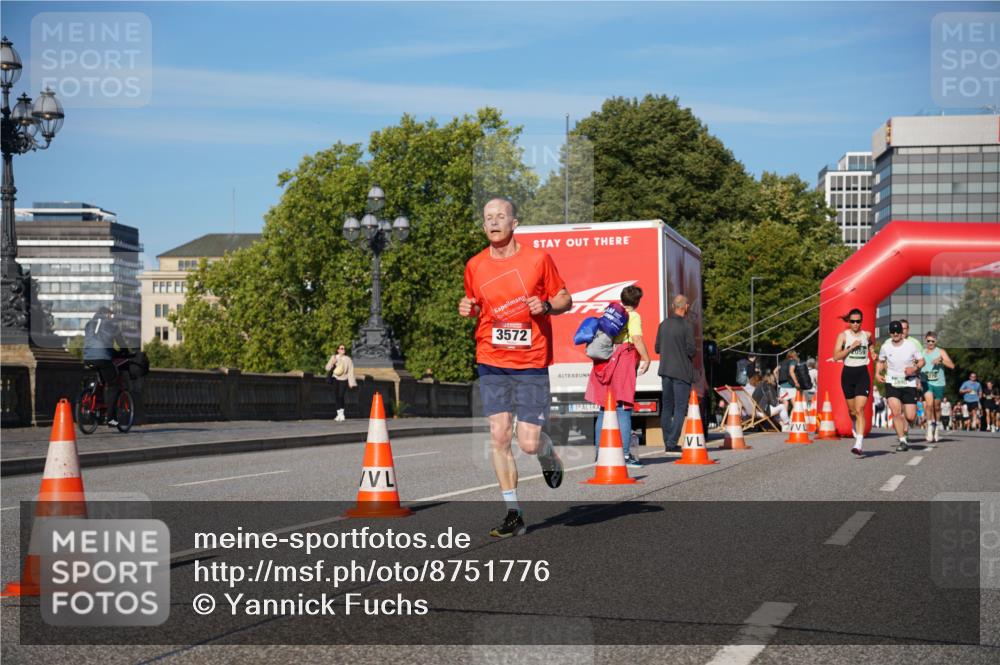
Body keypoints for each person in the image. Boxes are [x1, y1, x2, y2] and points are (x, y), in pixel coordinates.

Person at [459, 196, 571, 538]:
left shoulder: (538, 259)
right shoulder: (475, 266)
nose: (493, 222)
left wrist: (548, 305)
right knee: (499, 435)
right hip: (491, 359)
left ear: (514, 223)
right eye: (488, 218)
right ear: (483, 226)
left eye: (500, 216)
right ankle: (513, 512)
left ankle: (548, 455)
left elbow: (567, 298)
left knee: (527, 441)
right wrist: (469, 308)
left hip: (531, 360)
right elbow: (477, 304)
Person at [587, 285, 651, 468]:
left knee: (604, 408)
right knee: (623, 407)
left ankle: (600, 454)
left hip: (606, 357)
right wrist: (646, 358)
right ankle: (623, 455)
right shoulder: (634, 316)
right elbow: (637, 339)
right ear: (637, 302)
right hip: (623, 357)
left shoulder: (611, 313)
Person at [655, 294, 696, 452]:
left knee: (667, 407)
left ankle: (667, 441)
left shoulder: (663, 325)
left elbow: (657, 348)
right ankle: (672, 442)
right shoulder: (686, 326)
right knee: (679, 408)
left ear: (673, 306)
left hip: (665, 371)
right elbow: (691, 350)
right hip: (681, 373)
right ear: (686, 307)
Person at [876, 320, 924, 452]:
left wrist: (913, 369)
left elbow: (921, 361)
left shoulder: (910, 345)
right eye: (893, 332)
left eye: (898, 331)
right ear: (890, 333)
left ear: (902, 332)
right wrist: (877, 373)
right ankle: (902, 441)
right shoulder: (886, 347)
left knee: (910, 416)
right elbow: (880, 362)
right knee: (896, 412)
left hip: (909, 382)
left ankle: (907, 427)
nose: (896, 334)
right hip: (892, 382)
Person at [831, 308, 875, 455]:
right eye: (852, 321)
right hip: (848, 374)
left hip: (862, 373)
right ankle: (855, 425)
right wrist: (850, 348)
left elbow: (870, 343)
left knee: (859, 409)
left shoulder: (866, 334)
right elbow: (836, 356)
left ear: (861, 321)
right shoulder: (843, 336)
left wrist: (873, 352)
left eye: (858, 321)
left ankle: (859, 443)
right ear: (849, 322)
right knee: (852, 411)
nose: (855, 324)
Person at [82, 306, 132, 427]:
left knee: (101, 378)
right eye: (110, 315)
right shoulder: (112, 325)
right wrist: (126, 352)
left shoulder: (89, 324)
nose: (112, 317)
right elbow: (120, 343)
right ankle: (111, 419)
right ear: (107, 315)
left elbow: (95, 341)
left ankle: (94, 397)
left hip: (87, 357)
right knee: (113, 385)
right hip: (103, 358)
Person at [919, 331, 954, 442]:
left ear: (936, 341)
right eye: (928, 341)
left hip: (938, 382)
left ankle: (937, 427)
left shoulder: (941, 351)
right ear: (925, 340)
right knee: (929, 405)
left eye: (932, 341)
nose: (930, 343)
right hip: (926, 381)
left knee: (937, 406)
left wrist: (942, 360)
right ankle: (929, 427)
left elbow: (952, 365)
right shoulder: (922, 352)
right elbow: (916, 364)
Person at [325, 344, 357, 421]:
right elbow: (327, 368)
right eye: (341, 348)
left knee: (341, 395)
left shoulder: (348, 359)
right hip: (335, 378)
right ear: (338, 350)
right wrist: (333, 362)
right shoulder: (334, 357)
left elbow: (350, 371)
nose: (343, 350)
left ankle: (342, 413)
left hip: (344, 379)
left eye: (344, 348)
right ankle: (338, 413)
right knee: (336, 396)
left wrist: (351, 382)